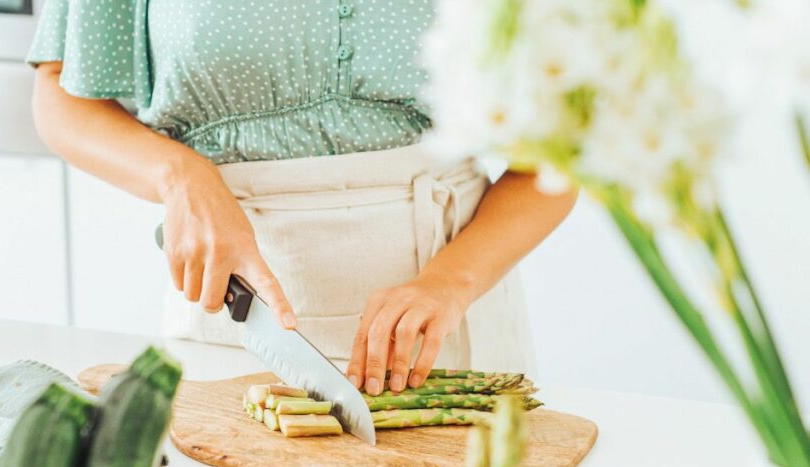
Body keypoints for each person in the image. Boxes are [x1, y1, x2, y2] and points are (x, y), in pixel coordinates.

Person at [28, 0, 576, 396]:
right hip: (234, 317)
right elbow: (60, 94)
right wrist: (179, 175)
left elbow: (566, 146)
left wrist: (449, 283)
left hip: (452, 322)